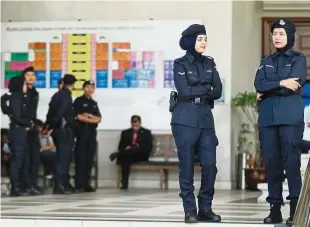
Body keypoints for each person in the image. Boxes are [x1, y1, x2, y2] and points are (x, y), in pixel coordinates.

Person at [254, 19, 307, 225]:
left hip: (290, 117)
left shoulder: (298, 59)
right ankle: (274, 209)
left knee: (292, 164)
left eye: (281, 34)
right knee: (272, 164)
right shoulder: (266, 59)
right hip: (267, 118)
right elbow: (258, 83)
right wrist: (282, 82)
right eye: (275, 33)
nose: (277, 37)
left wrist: (268, 88)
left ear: (290, 36)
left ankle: (295, 209)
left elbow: (295, 84)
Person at [170, 24, 222, 223]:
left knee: (210, 165)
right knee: (187, 165)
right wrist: (206, 90)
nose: (204, 43)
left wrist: (199, 91)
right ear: (191, 41)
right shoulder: (180, 63)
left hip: (206, 118)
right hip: (184, 119)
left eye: (205, 39)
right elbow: (184, 92)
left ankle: (205, 208)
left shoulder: (209, 63)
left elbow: (218, 90)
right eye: (200, 39)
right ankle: (190, 209)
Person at [45, 74, 77, 194]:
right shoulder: (66, 96)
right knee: (63, 159)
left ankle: (61, 184)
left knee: (60, 157)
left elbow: (50, 113)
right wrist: (53, 125)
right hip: (64, 130)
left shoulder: (56, 95)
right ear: (73, 84)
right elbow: (60, 113)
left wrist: (48, 126)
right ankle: (59, 186)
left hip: (57, 131)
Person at [6, 76, 34, 196]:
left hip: (20, 131)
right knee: (17, 161)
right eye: (24, 84)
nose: (26, 86)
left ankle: (21, 186)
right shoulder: (16, 99)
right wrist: (29, 123)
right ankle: (15, 188)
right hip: (18, 132)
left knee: (22, 160)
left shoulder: (20, 98)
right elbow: (16, 117)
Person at [109, 115, 153, 190]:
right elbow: (120, 147)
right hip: (129, 156)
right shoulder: (125, 133)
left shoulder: (146, 132)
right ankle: (124, 184)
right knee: (126, 157)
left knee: (126, 154)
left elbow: (148, 147)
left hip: (141, 155)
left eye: (136, 122)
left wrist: (136, 147)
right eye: (133, 122)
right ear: (131, 122)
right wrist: (127, 148)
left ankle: (116, 155)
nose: (135, 124)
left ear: (140, 122)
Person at [73, 80, 101, 193]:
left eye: (92, 88)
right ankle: (79, 184)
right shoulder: (78, 101)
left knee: (89, 159)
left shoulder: (94, 103)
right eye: (88, 87)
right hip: (82, 132)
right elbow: (79, 117)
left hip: (92, 133)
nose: (90, 90)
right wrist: (91, 119)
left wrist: (88, 115)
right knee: (81, 159)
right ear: (84, 88)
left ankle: (86, 183)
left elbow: (98, 119)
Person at [22, 66, 43, 194]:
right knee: (26, 159)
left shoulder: (35, 92)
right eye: (28, 75)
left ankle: (33, 184)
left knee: (35, 158)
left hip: (33, 128)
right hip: (23, 128)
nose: (31, 77)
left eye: (33, 75)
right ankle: (26, 185)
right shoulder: (20, 92)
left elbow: (32, 112)